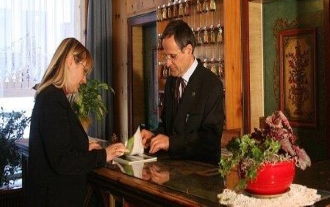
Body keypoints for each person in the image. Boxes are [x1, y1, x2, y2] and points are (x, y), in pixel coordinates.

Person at [26, 37, 127, 206]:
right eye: (84, 71)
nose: (84, 80)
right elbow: (62, 162)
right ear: (71, 61)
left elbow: (56, 146)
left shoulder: (53, 96)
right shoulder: (52, 100)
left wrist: (82, 148)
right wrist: (104, 154)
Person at [141, 19, 224, 165]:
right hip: (173, 170)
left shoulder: (211, 85)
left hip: (201, 174)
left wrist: (171, 143)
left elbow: (210, 139)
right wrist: (153, 136)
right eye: (165, 56)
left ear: (188, 50)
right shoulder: (171, 82)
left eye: (172, 56)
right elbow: (167, 127)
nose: (167, 63)